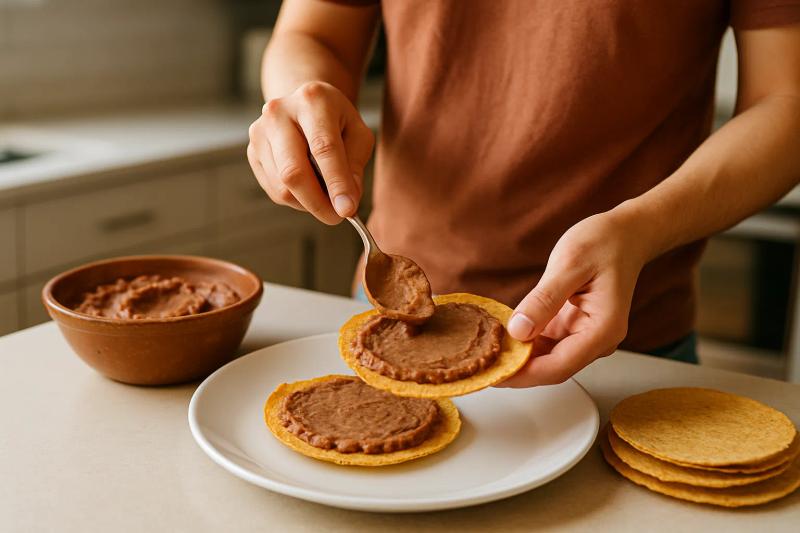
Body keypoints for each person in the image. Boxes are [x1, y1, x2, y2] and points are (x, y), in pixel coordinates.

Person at [247, 0, 800, 387]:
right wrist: (300, 101)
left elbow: (785, 103)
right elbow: (311, 33)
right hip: (388, 333)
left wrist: (641, 227)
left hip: (621, 347)